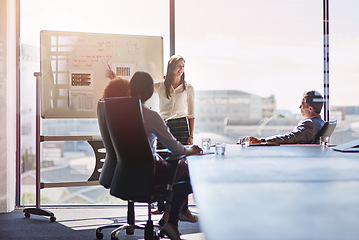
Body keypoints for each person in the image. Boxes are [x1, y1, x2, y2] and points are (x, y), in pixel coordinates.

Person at [129, 71, 202, 240]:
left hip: (125, 173)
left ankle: (173, 216)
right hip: (149, 174)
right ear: (149, 92)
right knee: (185, 166)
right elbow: (175, 148)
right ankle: (174, 217)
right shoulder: (151, 116)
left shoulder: (118, 114)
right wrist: (190, 150)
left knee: (179, 167)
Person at [243, 90, 326, 145]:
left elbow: (290, 138)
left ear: (310, 109)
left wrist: (262, 140)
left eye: (302, 104)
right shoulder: (319, 122)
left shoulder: (310, 124)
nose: (299, 107)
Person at [154, 55, 195, 147]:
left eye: (183, 66)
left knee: (181, 157)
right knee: (162, 155)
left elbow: (191, 114)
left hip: (181, 125)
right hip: (164, 125)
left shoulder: (188, 88)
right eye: (178, 66)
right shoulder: (160, 86)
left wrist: (191, 136)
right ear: (171, 67)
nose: (181, 69)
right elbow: (141, 88)